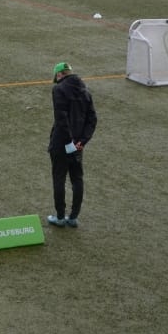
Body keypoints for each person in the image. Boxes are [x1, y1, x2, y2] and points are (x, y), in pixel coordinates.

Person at [47, 62, 98, 228]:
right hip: (78, 146)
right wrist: (82, 141)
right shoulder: (85, 91)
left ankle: (60, 217)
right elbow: (92, 119)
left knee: (59, 178)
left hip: (62, 143)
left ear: (59, 75)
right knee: (77, 179)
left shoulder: (58, 90)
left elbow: (61, 119)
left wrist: (69, 142)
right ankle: (74, 216)